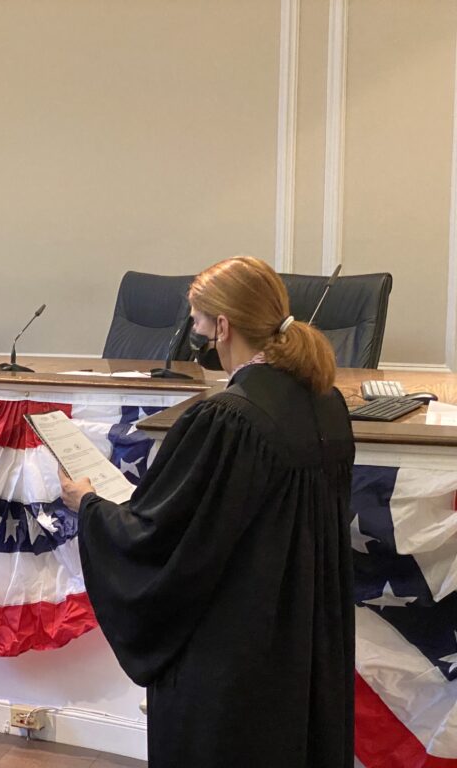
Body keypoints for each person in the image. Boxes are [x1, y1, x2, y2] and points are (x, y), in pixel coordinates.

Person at [60, 256, 355, 768]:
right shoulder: (324, 400)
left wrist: (89, 506)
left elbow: (161, 538)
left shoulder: (227, 418)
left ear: (223, 326)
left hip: (235, 653)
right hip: (306, 640)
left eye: (196, 320)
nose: (193, 333)